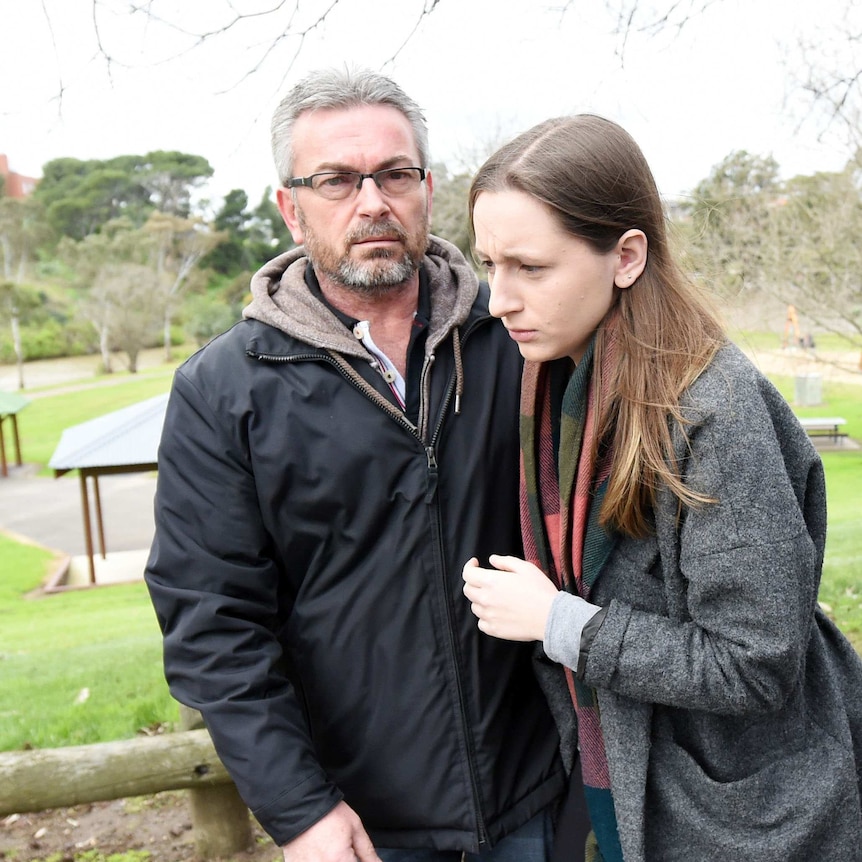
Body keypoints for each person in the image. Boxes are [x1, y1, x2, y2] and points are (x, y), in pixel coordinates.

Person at [144, 68, 566, 862]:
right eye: (337, 179)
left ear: (426, 189)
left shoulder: (518, 337)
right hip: (362, 826)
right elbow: (213, 628)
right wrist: (301, 811)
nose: (372, 201)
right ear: (290, 206)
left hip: (535, 795)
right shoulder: (224, 390)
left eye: (394, 174)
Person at [462, 114, 862, 862]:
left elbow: (756, 661)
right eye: (490, 264)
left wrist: (562, 623)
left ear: (626, 256)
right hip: (622, 781)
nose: (497, 300)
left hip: (743, 819)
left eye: (530, 267)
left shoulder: (715, 411)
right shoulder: (556, 389)